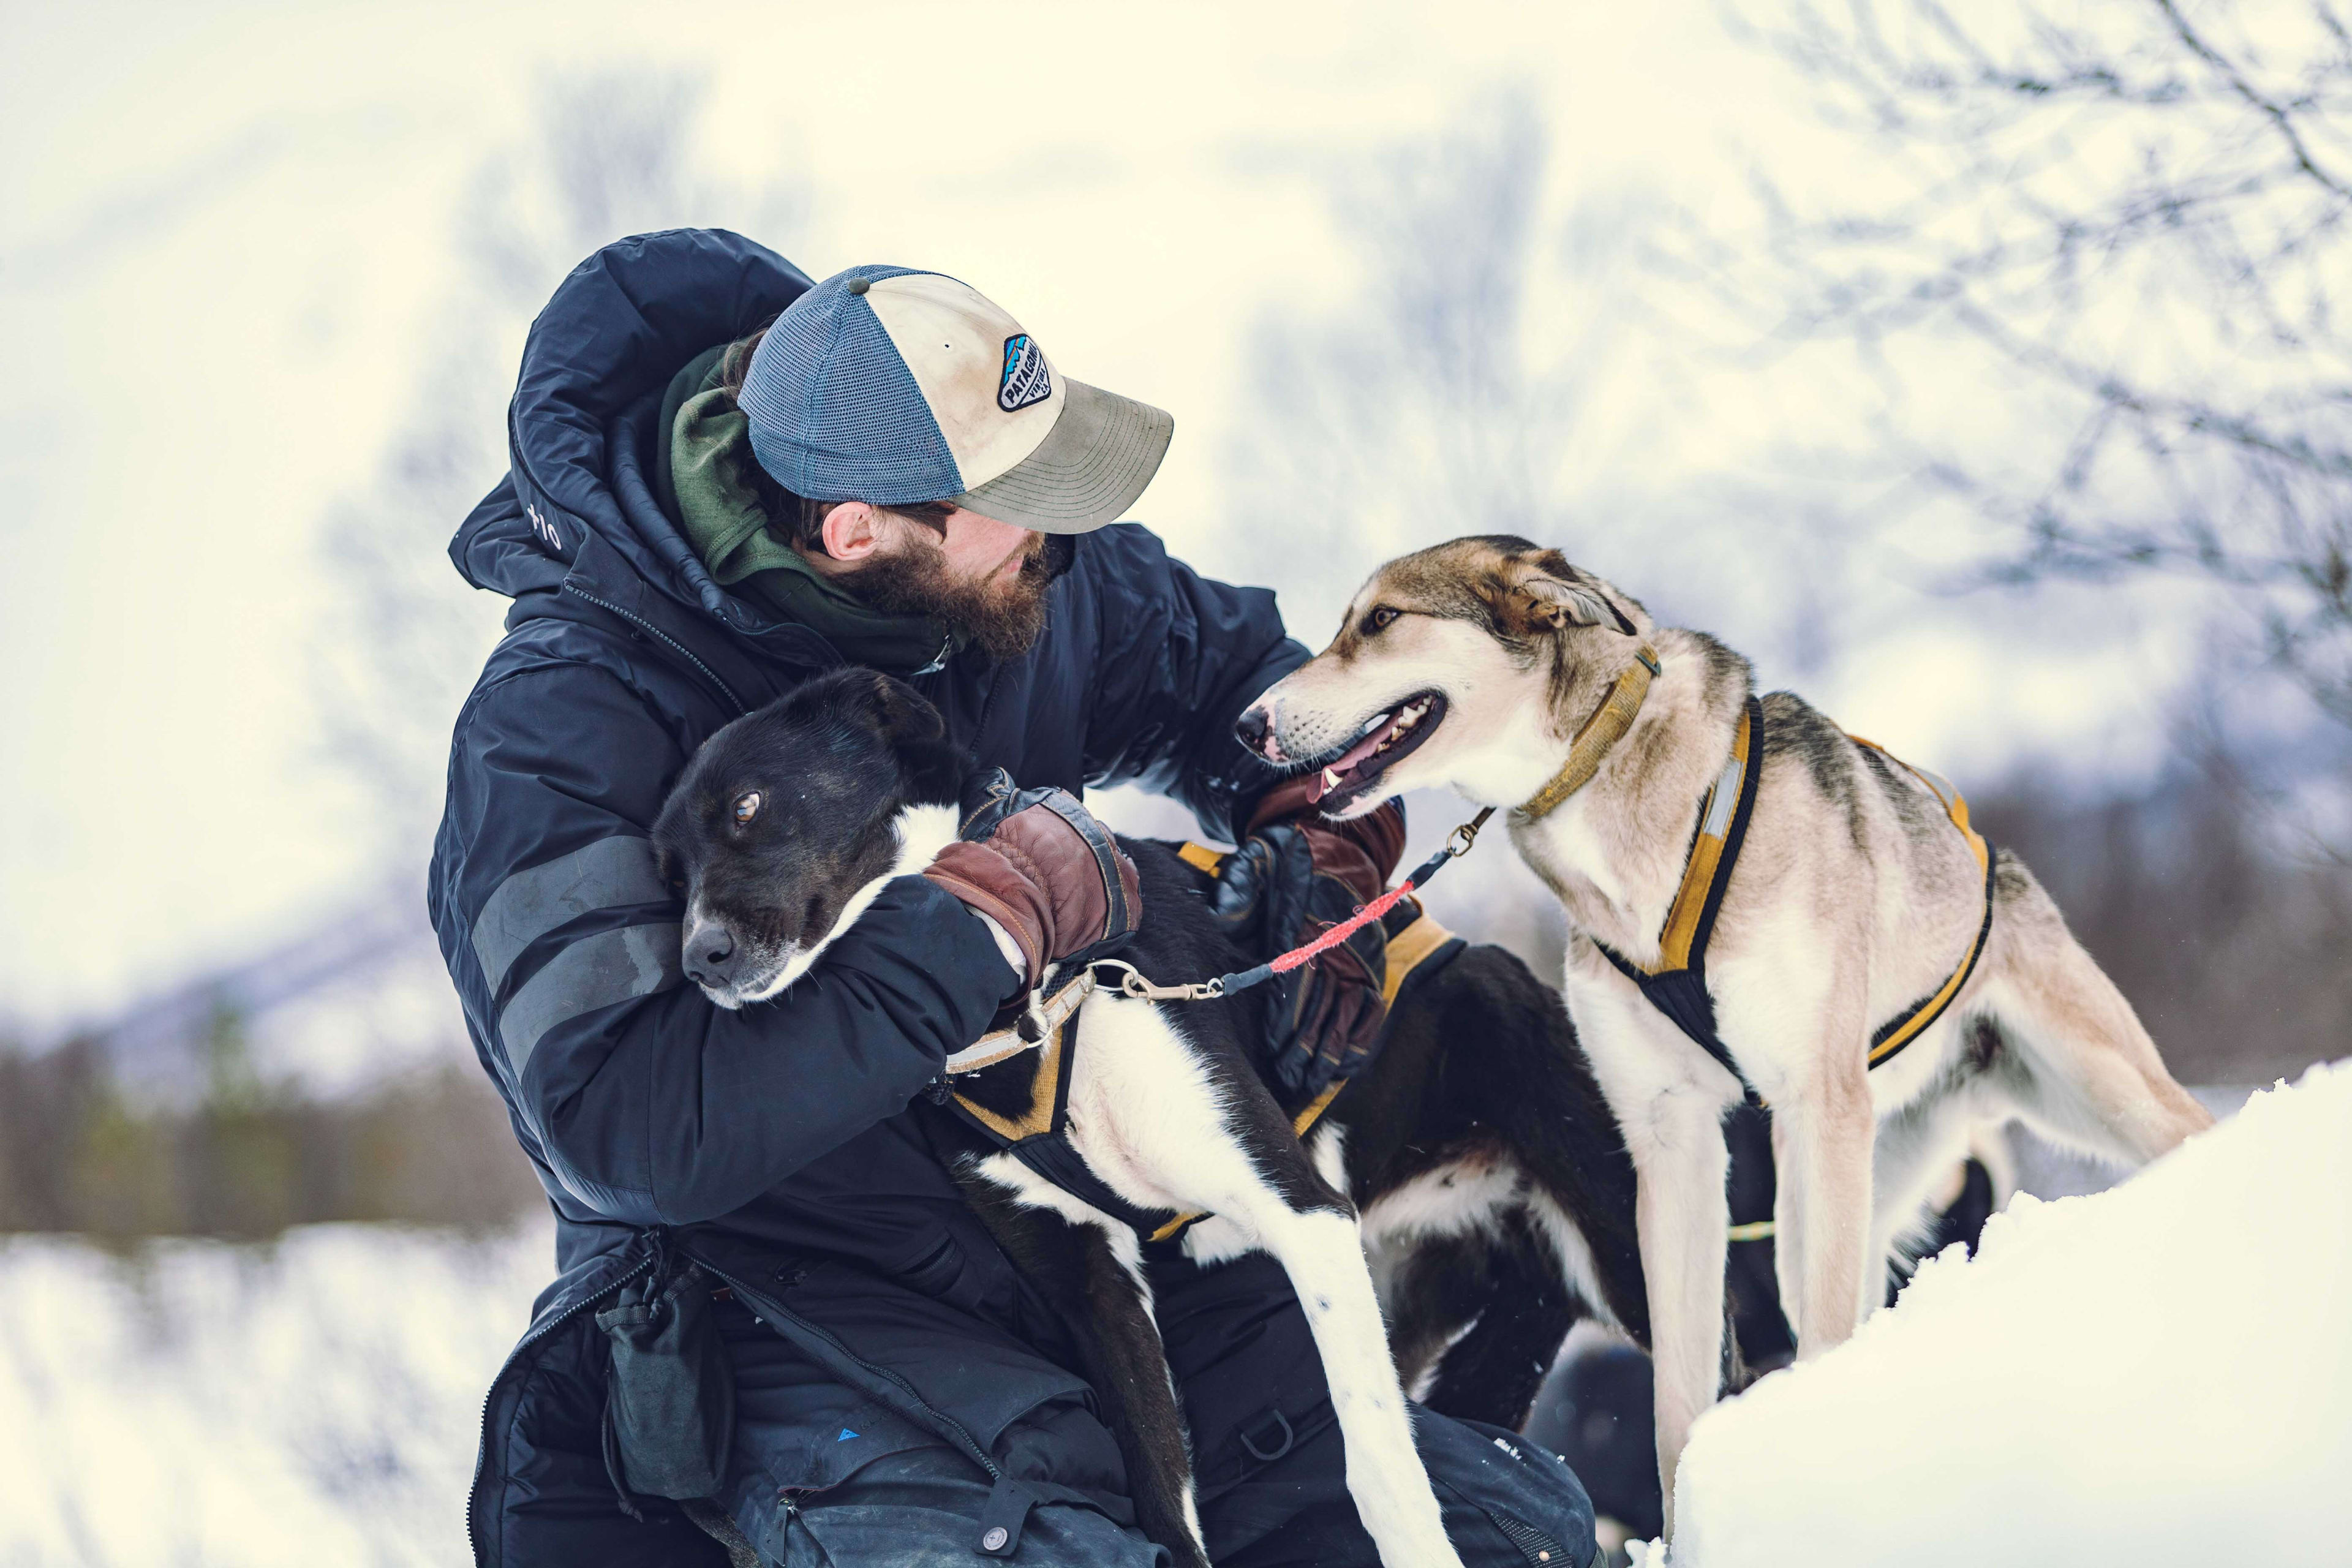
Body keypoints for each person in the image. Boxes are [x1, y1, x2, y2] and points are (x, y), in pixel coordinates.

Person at [429, 229, 1597, 1568]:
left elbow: (1246, 684)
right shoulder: (557, 734)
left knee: (1516, 1536)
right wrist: (987, 920)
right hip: (796, 1317)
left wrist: (1327, 838)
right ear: (856, 530)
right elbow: (628, 1127)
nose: (1057, 526)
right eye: (1017, 498)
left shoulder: (1011, 577)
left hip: (1093, 1217)